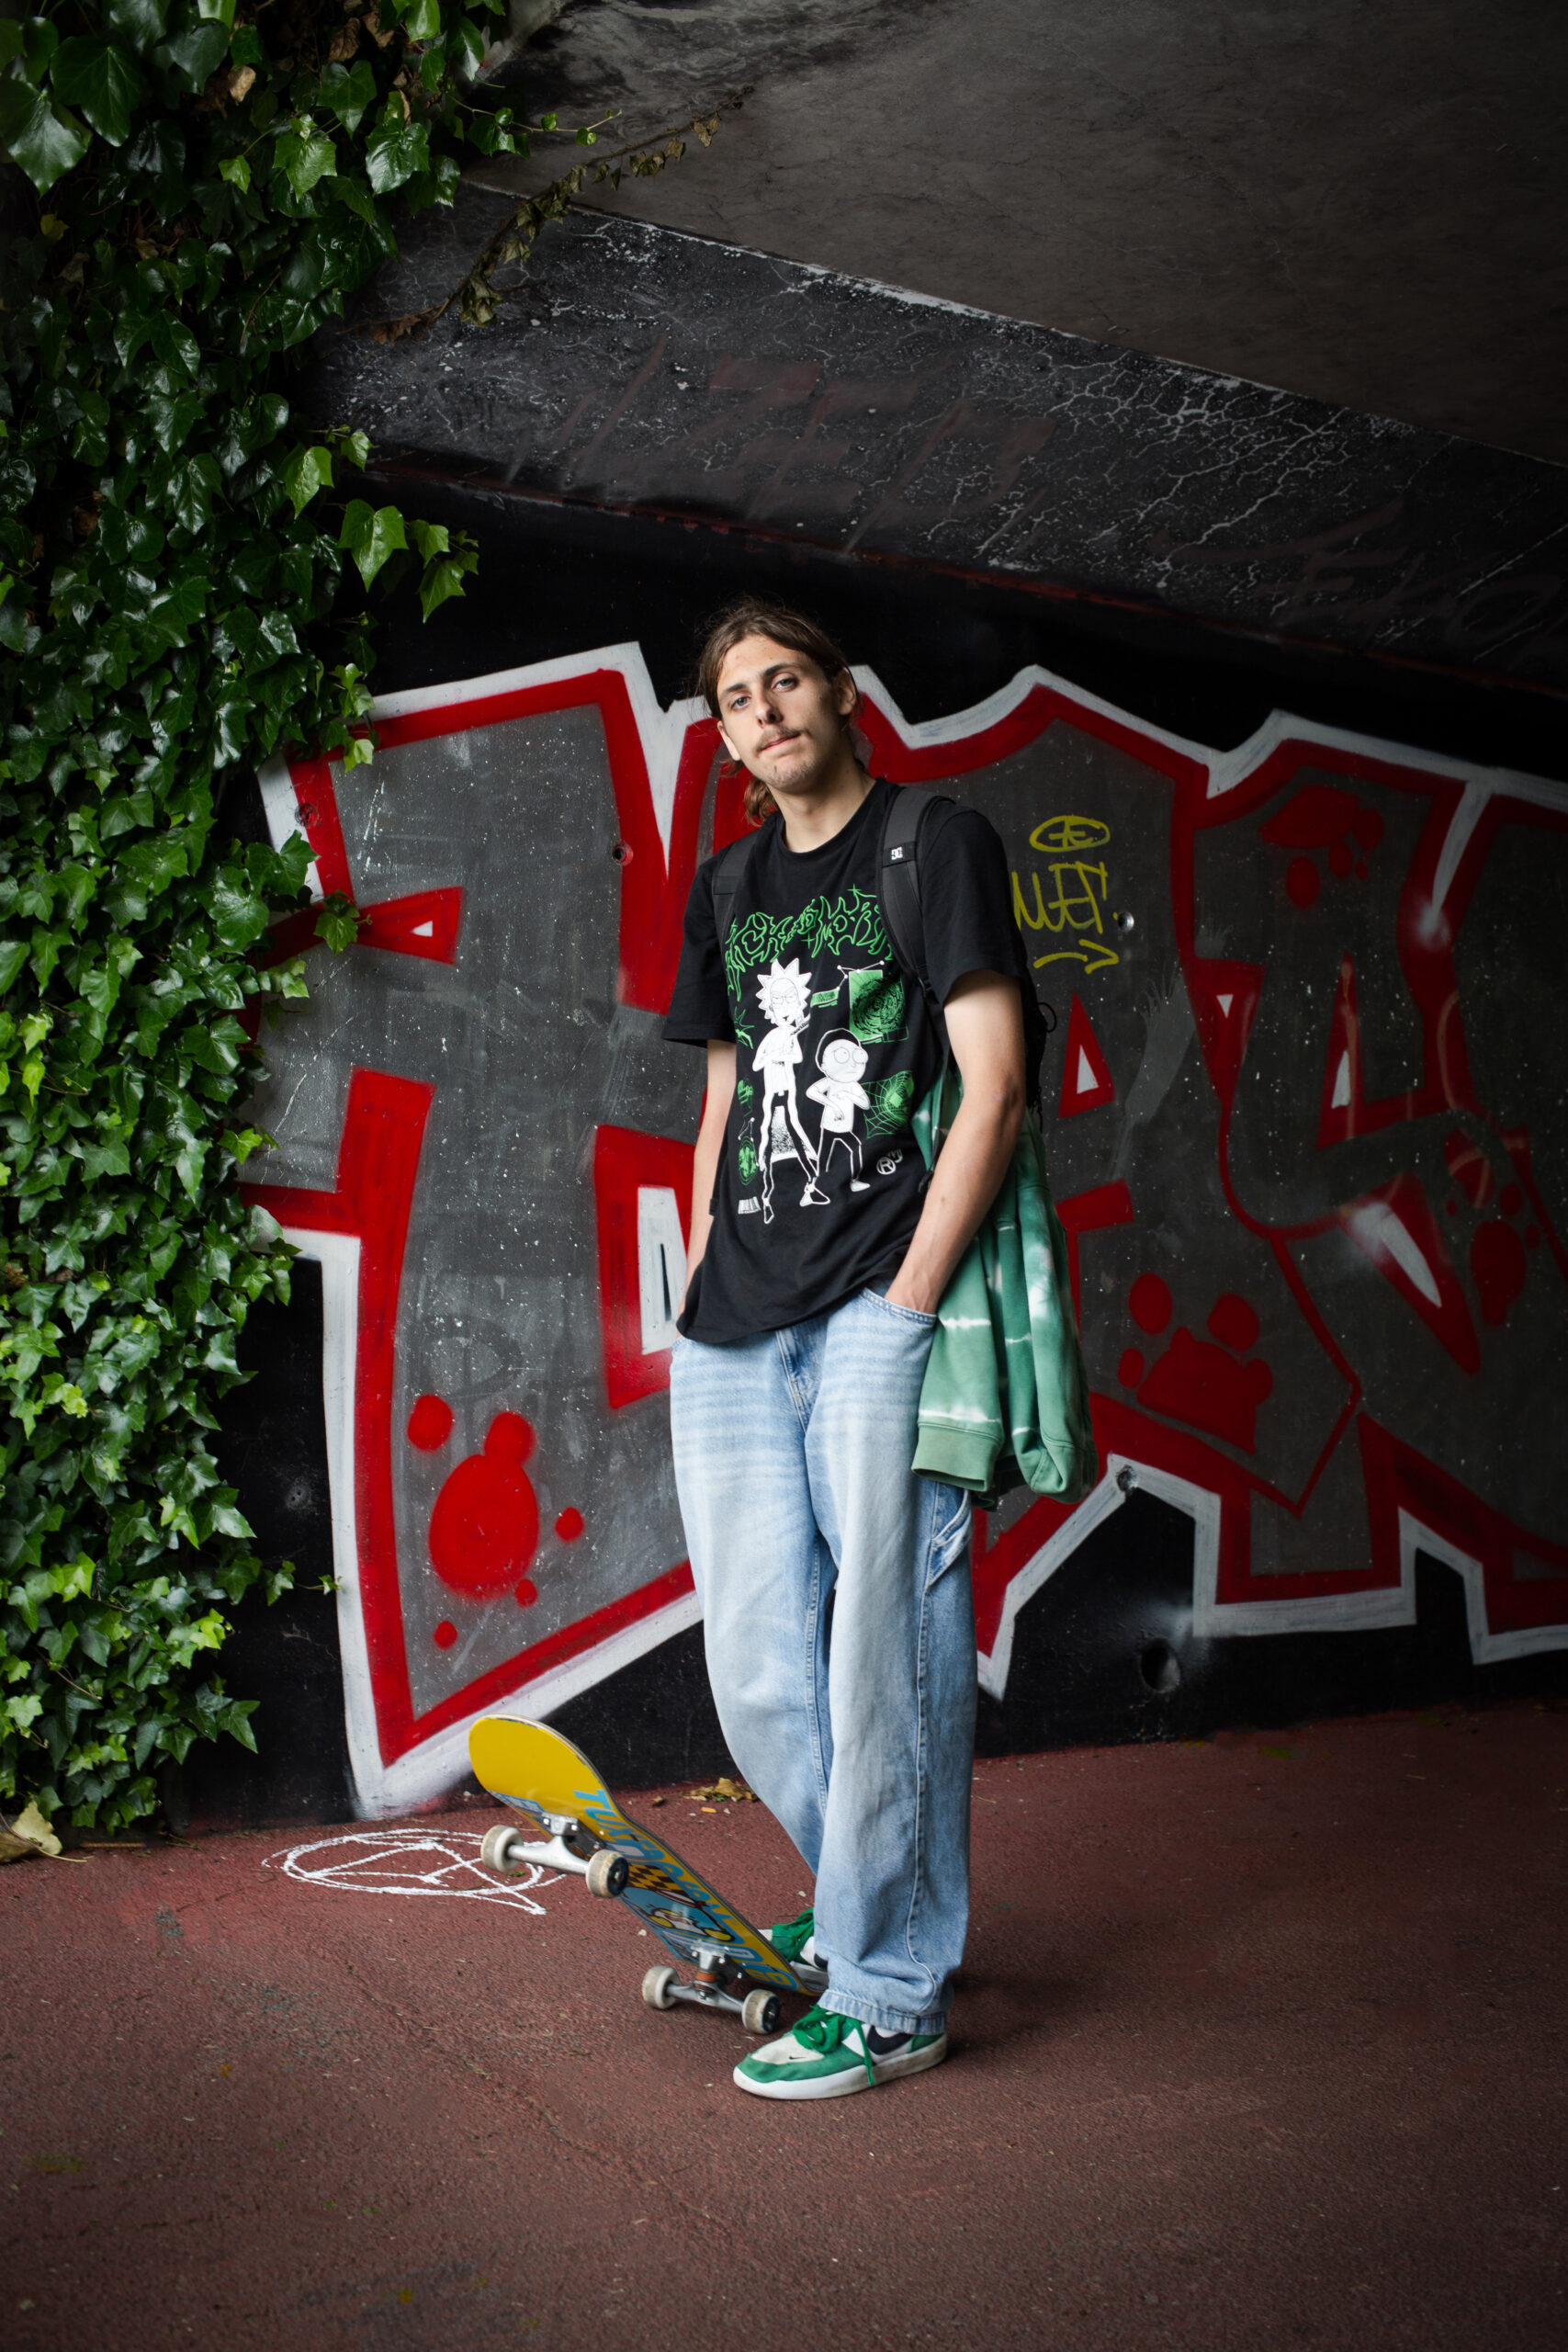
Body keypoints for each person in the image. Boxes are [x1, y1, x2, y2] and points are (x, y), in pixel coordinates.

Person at [663, 598, 1032, 2101]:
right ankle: (874, 1910)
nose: (765, 711)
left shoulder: (933, 844)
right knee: (762, 1675)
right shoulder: (729, 883)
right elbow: (725, 1101)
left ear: (840, 695)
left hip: (879, 1307)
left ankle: (889, 1988)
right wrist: (700, 1275)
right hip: (737, 1323)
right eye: (738, 698)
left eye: (787, 681)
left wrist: (905, 1312)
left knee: (890, 1662)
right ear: (730, 738)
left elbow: (995, 1085)